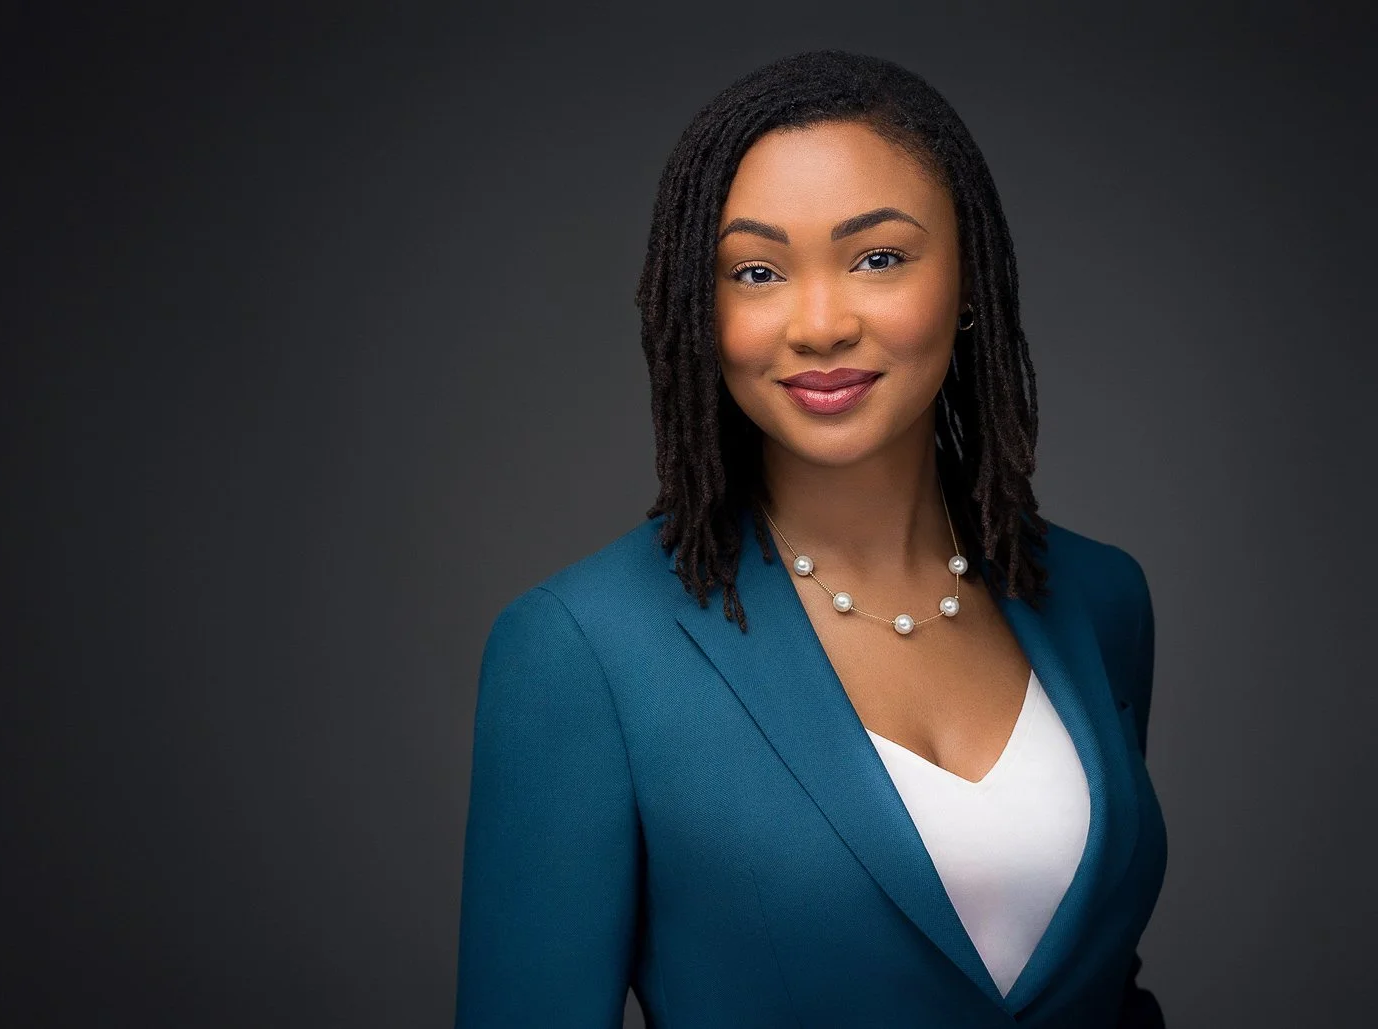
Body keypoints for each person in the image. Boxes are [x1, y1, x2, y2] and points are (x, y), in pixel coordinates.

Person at [454, 49, 1167, 1028]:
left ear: (967, 278)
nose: (821, 324)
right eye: (757, 272)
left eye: (878, 258)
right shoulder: (580, 652)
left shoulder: (1099, 597)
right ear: (700, 308)